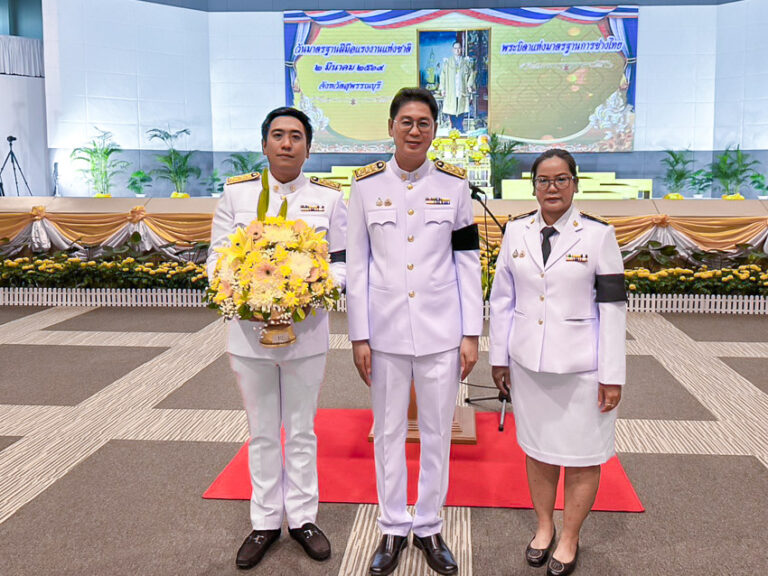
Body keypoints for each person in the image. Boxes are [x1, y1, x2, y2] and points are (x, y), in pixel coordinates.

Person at [346, 87, 483, 576]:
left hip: (441, 332)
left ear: (434, 129)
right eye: (406, 121)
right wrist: (358, 336)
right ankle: (391, 526)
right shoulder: (363, 187)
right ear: (390, 127)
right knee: (386, 432)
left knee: (435, 432)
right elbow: (357, 264)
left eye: (424, 122)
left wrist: (471, 333)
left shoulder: (455, 186)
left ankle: (427, 525)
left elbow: (467, 262)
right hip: (382, 334)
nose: (415, 130)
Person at [207, 107, 347, 570]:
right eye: (278, 135)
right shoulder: (237, 196)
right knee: (263, 432)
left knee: (302, 430)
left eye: (296, 136)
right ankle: (265, 521)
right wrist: (244, 291)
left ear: (308, 146)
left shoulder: (328, 200)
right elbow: (217, 259)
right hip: (248, 337)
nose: (287, 144)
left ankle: (304, 518)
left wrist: (311, 288)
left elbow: (344, 262)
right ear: (264, 144)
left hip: (305, 335)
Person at [489, 148, 627, 576]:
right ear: (533, 186)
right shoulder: (516, 232)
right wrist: (500, 358)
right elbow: (503, 300)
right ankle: (545, 527)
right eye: (544, 180)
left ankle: (570, 536)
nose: (552, 188)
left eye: (561, 179)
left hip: (583, 368)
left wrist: (612, 374)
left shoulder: (598, 236)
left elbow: (613, 308)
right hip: (529, 365)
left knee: (583, 455)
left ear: (575, 183)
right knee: (539, 450)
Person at [439, 41, 475, 132]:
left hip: (461, 89)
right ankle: (454, 127)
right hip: (451, 90)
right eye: (455, 48)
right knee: (452, 108)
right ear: (452, 50)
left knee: (461, 108)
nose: (457, 50)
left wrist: (469, 85)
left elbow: (471, 74)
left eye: (459, 48)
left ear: (461, 49)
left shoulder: (466, 62)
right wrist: (442, 89)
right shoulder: (447, 62)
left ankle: (460, 127)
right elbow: (442, 76)